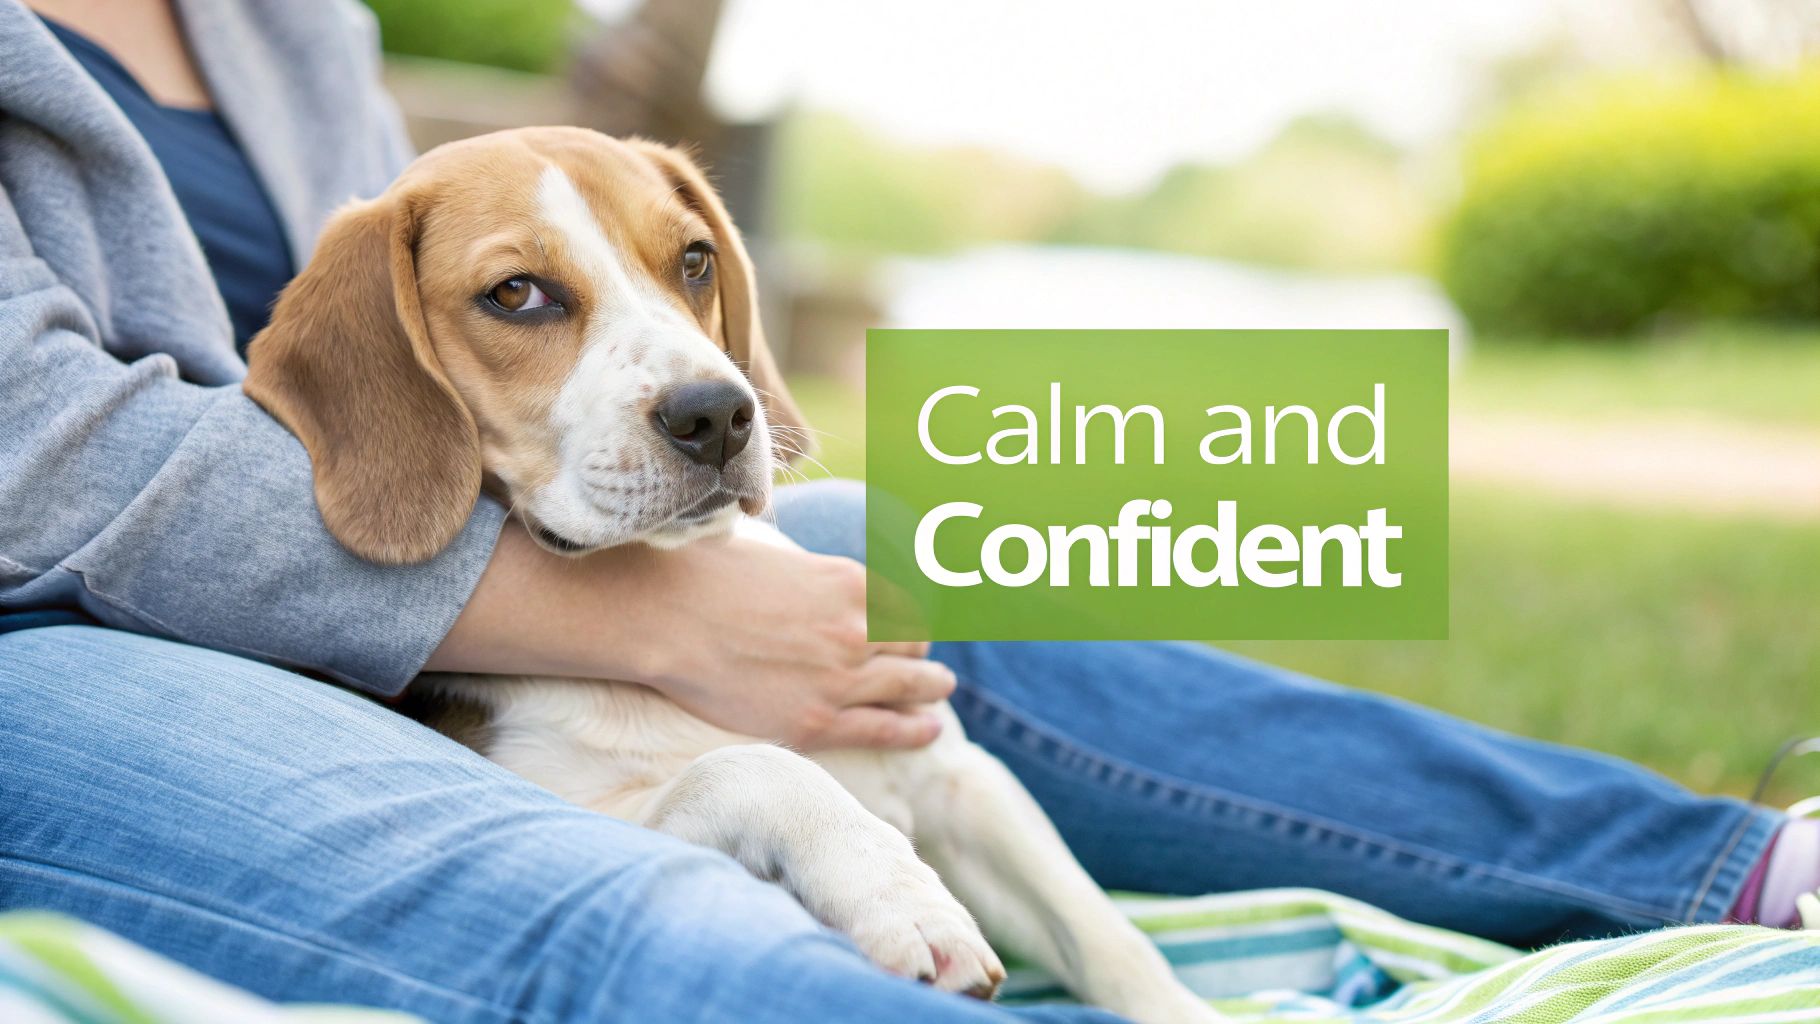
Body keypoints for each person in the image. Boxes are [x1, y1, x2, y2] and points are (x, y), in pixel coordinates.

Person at [0, 1, 1809, 1021]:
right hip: (76, 640)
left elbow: (501, 291)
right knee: (637, 927)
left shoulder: (283, 18)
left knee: (925, 550)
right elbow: (41, 446)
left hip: (459, 545)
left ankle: (1720, 867)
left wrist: (715, 560)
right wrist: (651, 622)